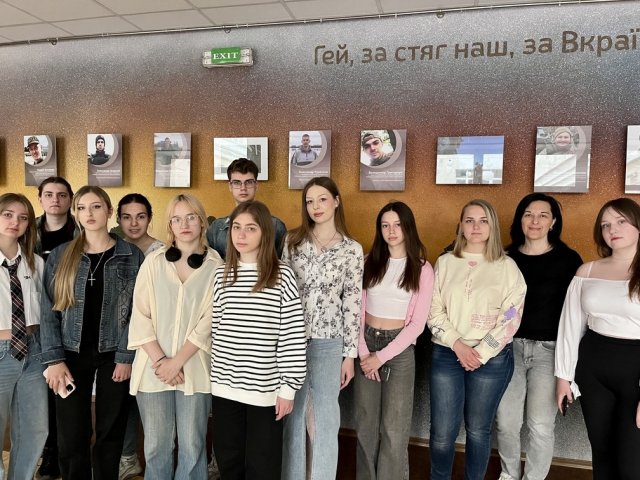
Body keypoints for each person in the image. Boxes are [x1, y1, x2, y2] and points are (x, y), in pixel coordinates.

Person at [40, 186, 145, 480]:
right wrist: (53, 360)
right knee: (71, 434)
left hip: (114, 355)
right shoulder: (61, 255)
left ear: (109, 212)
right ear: (76, 213)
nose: (89, 213)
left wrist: (125, 356)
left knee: (111, 432)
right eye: (82, 208)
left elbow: (139, 311)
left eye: (96, 206)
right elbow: (48, 310)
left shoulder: (131, 255)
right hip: (70, 355)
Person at [427, 199, 526, 480]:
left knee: (478, 431)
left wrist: (481, 352)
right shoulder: (445, 263)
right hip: (447, 353)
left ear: (493, 226)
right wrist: (457, 345)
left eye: (483, 221)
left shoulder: (507, 267)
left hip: (491, 360)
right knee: (442, 434)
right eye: (469, 220)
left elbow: (511, 314)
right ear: (460, 226)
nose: (476, 227)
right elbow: (433, 310)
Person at [128, 194, 222, 479]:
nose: (184, 224)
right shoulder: (154, 262)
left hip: (195, 369)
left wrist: (176, 362)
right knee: (156, 446)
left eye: (191, 217)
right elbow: (140, 314)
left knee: (193, 447)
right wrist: (162, 362)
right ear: (169, 225)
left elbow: (210, 320)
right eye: (177, 219)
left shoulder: (216, 265)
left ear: (202, 222)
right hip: (153, 370)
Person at [211, 200, 306, 480]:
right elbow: (217, 330)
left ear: (265, 233)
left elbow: (292, 335)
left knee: (262, 466)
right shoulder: (221, 274)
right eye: (236, 227)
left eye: (250, 228)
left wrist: (288, 388)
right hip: (225, 388)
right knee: (229, 462)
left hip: (265, 391)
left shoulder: (282, 275)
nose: (241, 235)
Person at [495, 193, 582, 480]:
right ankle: (508, 474)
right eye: (528, 214)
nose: (535, 221)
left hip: (550, 351)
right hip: (509, 349)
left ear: (553, 222)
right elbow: (496, 305)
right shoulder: (505, 258)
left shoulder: (569, 260)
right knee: (506, 422)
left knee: (541, 425)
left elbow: (576, 313)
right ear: (519, 220)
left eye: (543, 215)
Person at [282, 176, 364, 480]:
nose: (315, 206)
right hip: (292, 339)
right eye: (309, 201)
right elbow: (281, 292)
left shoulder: (351, 249)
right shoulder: (292, 242)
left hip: (330, 342)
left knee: (326, 419)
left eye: (322, 199)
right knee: (292, 416)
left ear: (336, 201)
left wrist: (349, 356)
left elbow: (352, 302)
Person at [555, 198, 640, 479]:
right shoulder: (587, 272)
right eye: (605, 225)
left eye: (621, 221)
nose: (612, 229)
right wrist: (563, 377)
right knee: (602, 456)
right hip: (593, 370)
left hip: (635, 372)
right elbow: (570, 327)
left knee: (632, 464)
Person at [354, 201, 434, 480]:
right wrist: (365, 353)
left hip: (399, 350)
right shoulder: (368, 262)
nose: (391, 231)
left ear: (408, 227)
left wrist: (381, 357)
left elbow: (417, 325)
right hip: (366, 344)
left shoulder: (422, 269)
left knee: (394, 428)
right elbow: (355, 312)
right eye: (385, 225)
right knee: (365, 424)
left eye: (398, 225)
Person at [116, 193, 164, 480]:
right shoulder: (113, 248)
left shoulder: (162, 252)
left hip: (152, 337)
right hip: (118, 336)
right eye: (127, 217)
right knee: (123, 399)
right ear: (118, 219)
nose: (134, 223)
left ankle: (159, 458)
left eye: (140, 216)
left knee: (148, 400)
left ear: (150, 218)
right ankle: (127, 457)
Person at [34, 176, 80, 480]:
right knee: (38, 394)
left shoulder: (82, 232)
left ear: (70, 200)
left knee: (62, 393)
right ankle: (46, 451)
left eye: (62, 195)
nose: (55, 200)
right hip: (31, 321)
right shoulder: (28, 232)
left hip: (67, 322)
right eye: (49, 194)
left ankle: (59, 452)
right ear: (40, 199)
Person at [0, 193, 48, 480]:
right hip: (1, 351)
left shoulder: (36, 263)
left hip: (33, 351)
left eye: (23, 217)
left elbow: (44, 313)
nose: (14, 222)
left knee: (35, 428)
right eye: (7, 214)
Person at [206, 158, 286, 259]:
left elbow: (278, 263)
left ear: (256, 185)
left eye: (249, 182)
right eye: (237, 182)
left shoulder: (275, 226)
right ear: (230, 186)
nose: (243, 188)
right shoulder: (216, 228)